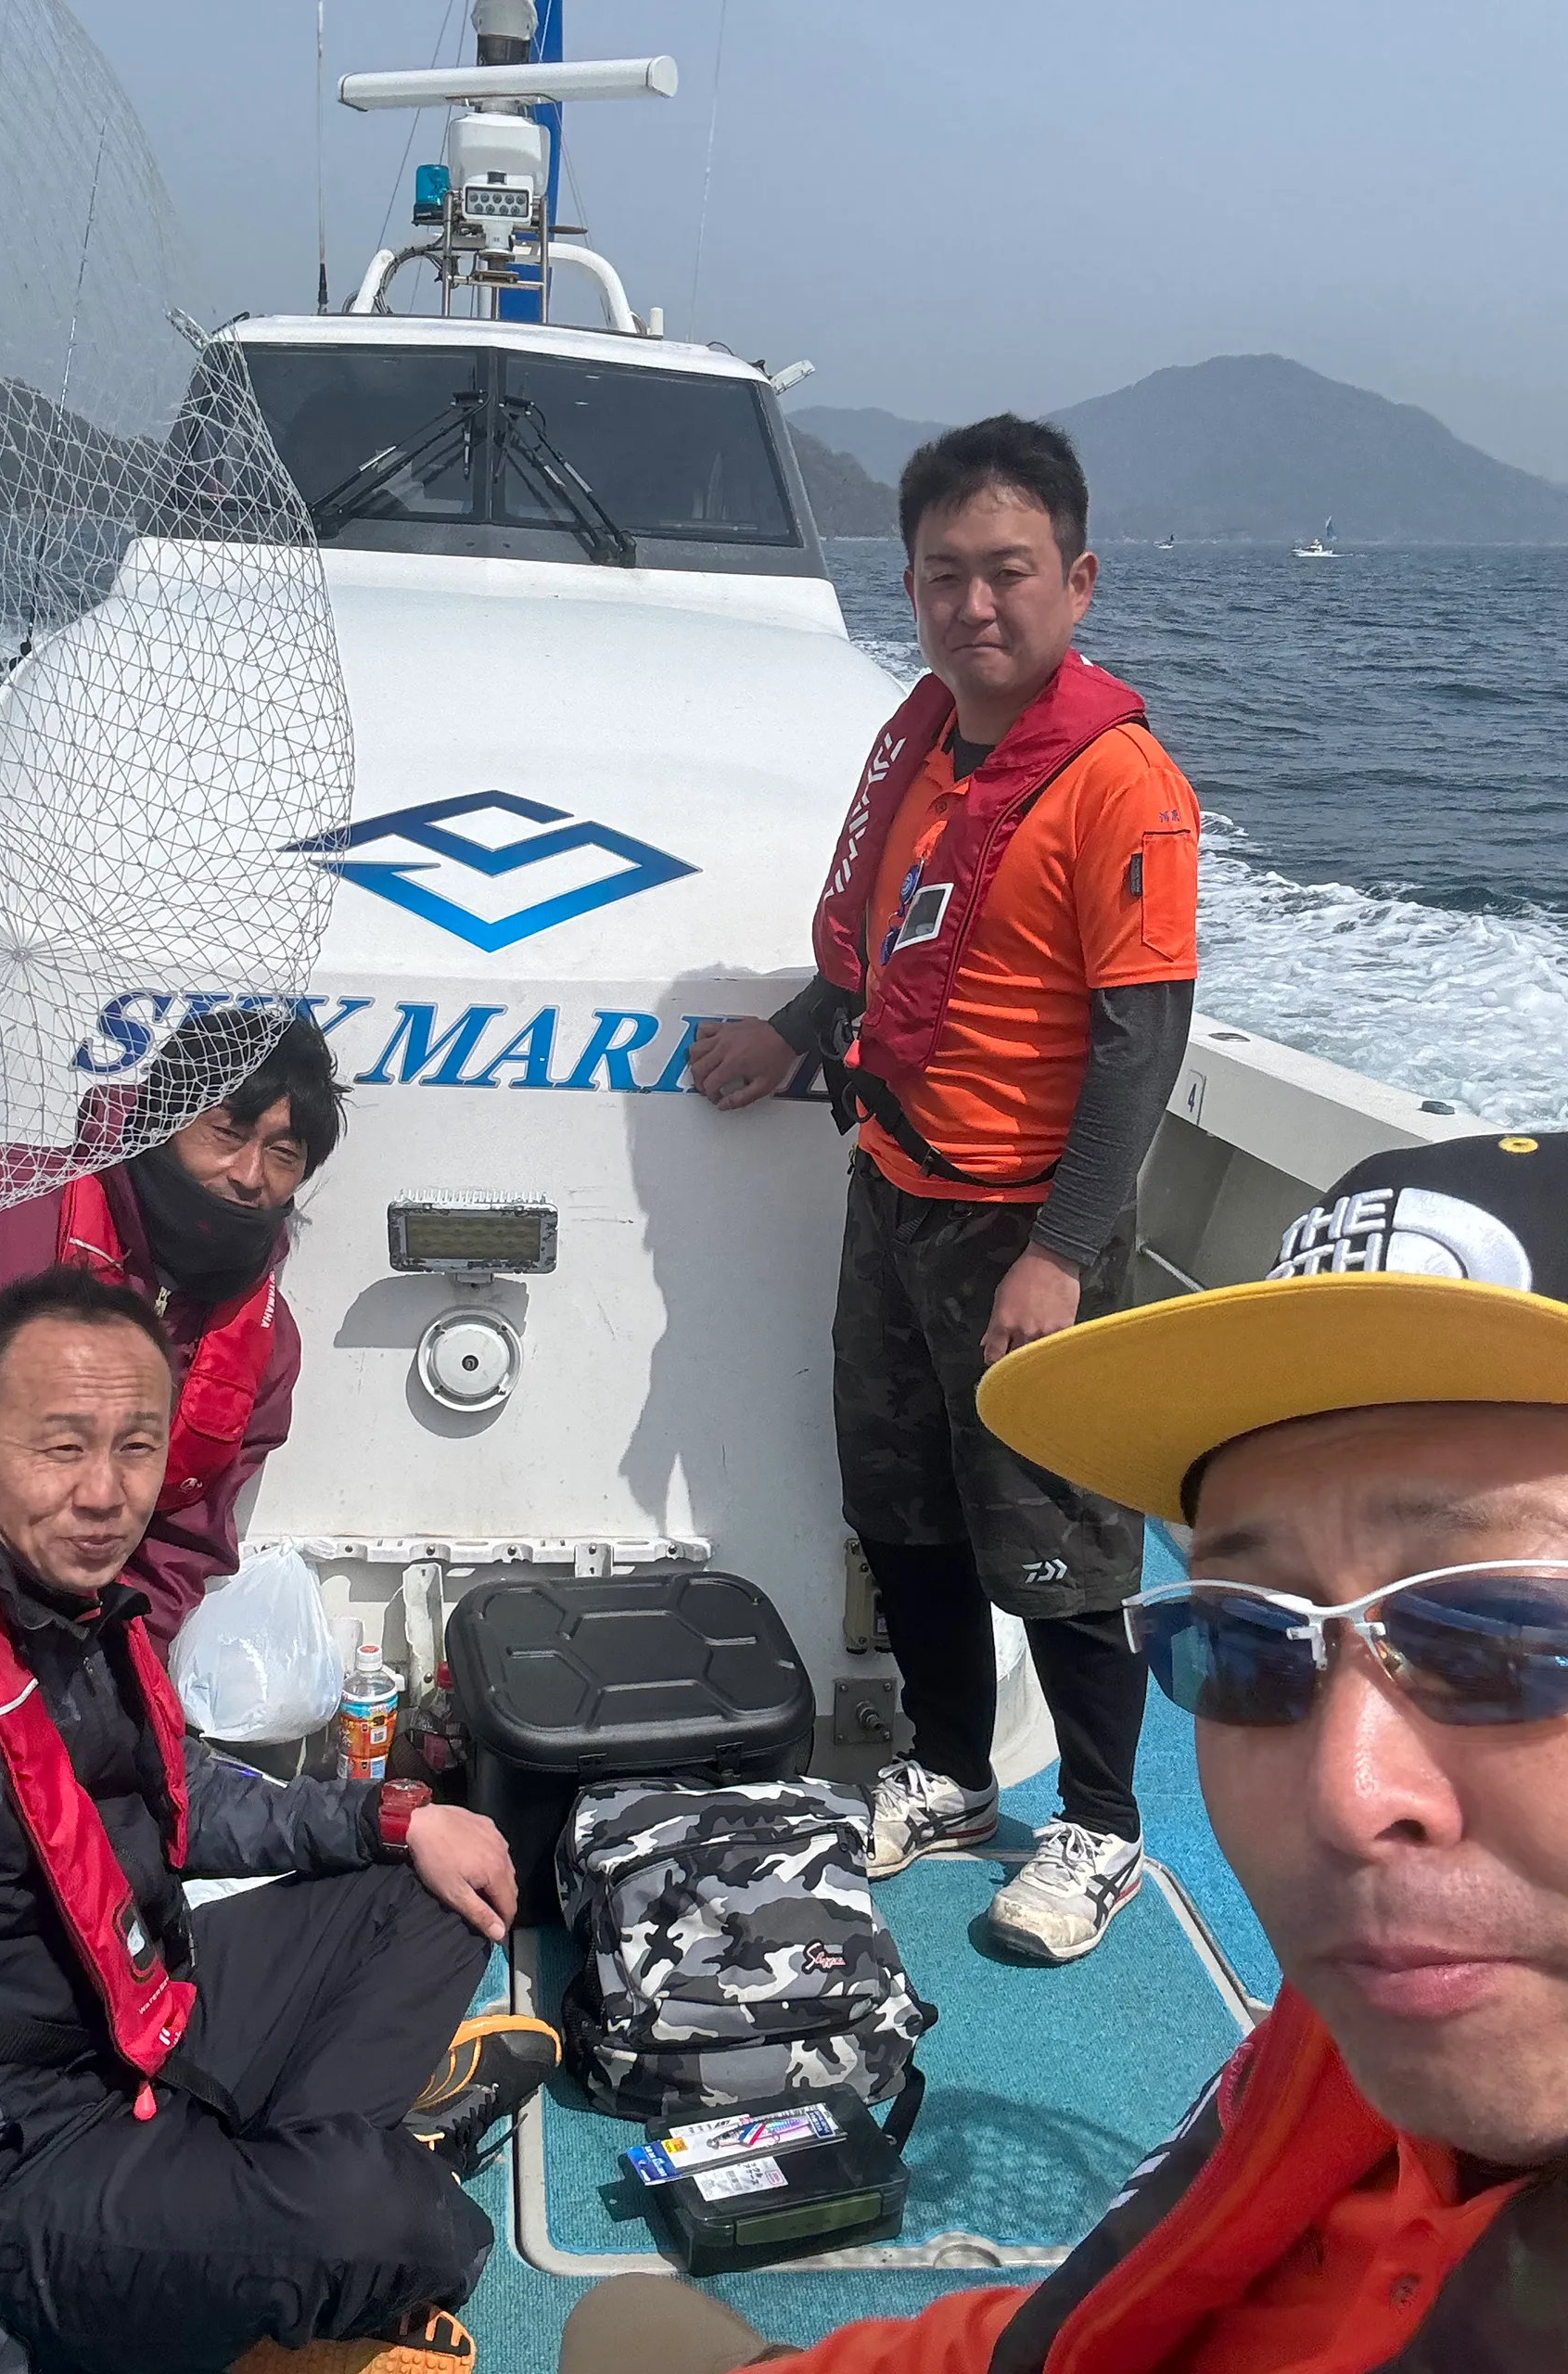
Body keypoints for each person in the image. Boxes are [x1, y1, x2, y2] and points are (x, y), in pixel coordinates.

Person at [557, 1128, 1568, 2371]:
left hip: (1017, 1199)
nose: (1343, 1794)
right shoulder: (1361, 2020)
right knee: (620, 2325)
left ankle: (1099, 1824)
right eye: (1241, 1645)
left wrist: (1063, 1238)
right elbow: (1093, 2323)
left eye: (1504, 1636)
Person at [0, 1263, 560, 2374]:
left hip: (140, 2014)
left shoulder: (64, 1601)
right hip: (11, 2161)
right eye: (61, 1447)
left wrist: (390, 1819)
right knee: (389, 2222)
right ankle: (326, 2200)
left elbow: (179, 1803)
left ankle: (269, 2201)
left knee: (438, 1884)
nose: (105, 1493)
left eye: (136, 1448)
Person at [689, 415, 1201, 1959]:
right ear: (910, 586)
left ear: (1078, 582)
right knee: (901, 1502)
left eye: (1010, 572)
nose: (976, 606)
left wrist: (1062, 1255)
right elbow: (891, 949)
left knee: (1059, 1532)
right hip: (895, 1190)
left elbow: (1141, 1048)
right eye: (943, 575)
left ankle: (1101, 1825)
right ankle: (954, 1773)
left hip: (1028, 1223)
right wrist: (788, 1037)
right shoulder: (926, 752)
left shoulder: (1119, 786)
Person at [0, 1006, 346, 1653]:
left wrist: (113, 1666)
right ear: (164, 1116)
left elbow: (179, 1546)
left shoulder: (266, 1344)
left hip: (28, 1649)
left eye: (283, 1154)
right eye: (226, 1132)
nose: (249, 1175)